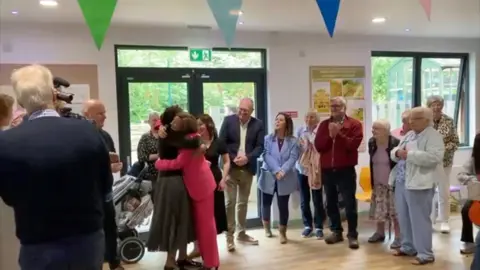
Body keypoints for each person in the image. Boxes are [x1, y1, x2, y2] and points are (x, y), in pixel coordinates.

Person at [0, 64, 109, 269]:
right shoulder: (88, 132)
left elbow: (9, 196)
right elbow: (105, 185)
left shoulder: (6, 143)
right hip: (87, 238)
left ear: (21, 101)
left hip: (37, 241)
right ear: (53, 94)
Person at [155, 112, 219, 270]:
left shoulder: (190, 140)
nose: (172, 125)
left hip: (201, 186)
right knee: (204, 227)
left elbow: (178, 163)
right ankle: (210, 261)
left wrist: (159, 163)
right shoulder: (190, 138)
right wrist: (161, 129)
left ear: (183, 126)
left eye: (176, 123)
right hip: (199, 185)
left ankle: (211, 263)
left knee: (206, 227)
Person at [147, 105, 202, 270]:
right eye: (179, 117)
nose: (183, 118)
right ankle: (171, 261)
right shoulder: (170, 135)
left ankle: (182, 258)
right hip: (172, 182)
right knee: (175, 220)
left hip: (173, 180)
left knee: (182, 218)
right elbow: (195, 142)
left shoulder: (170, 133)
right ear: (173, 120)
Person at [390, 107, 443, 265]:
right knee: (404, 217)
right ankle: (408, 247)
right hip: (402, 181)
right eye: (410, 118)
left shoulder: (433, 136)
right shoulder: (410, 134)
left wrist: (409, 155)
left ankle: (425, 253)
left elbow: (434, 157)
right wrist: (397, 153)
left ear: (427, 120)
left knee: (419, 219)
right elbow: (395, 151)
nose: (411, 121)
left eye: (416, 118)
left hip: (420, 183)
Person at [314, 96, 363, 249]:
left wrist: (339, 135)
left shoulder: (354, 124)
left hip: (346, 170)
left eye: (337, 106)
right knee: (330, 203)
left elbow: (353, 145)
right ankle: (336, 231)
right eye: (332, 106)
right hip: (328, 170)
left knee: (349, 204)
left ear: (344, 108)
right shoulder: (323, 125)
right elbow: (319, 146)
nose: (334, 108)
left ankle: (352, 235)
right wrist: (330, 136)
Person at [218, 98, 265, 250]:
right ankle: (229, 237)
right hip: (230, 168)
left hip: (247, 167)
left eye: (245, 111)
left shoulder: (258, 124)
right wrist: (233, 158)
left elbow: (260, 147)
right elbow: (221, 143)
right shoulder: (228, 121)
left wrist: (247, 158)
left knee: (243, 203)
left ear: (251, 111)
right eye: (240, 109)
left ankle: (242, 233)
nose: (241, 113)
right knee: (230, 202)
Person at [83, 99, 123, 270]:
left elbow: (113, 158)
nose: (105, 117)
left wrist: (116, 166)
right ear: (87, 115)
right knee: (92, 232)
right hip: (89, 194)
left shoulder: (105, 136)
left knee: (110, 227)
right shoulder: (82, 137)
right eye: (100, 113)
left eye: (104, 112)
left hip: (106, 192)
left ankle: (114, 262)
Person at [187, 114, 230, 260]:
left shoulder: (219, 142)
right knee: (197, 215)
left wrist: (224, 179)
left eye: (201, 124)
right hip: (197, 181)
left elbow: (226, 162)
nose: (199, 127)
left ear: (209, 125)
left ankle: (211, 249)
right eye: (197, 125)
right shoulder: (194, 142)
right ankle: (197, 247)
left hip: (215, 180)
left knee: (214, 215)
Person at [259, 113, 300, 244]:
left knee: (283, 205)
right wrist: (277, 170)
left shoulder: (293, 141)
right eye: (276, 119)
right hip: (269, 175)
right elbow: (266, 155)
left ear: (286, 124)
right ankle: (266, 228)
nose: (277, 121)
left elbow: (293, 158)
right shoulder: (267, 138)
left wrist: (283, 171)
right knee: (266, 203)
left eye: (280, 120)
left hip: (285, 177)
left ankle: (282, 232)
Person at [427, 95, 460, 233]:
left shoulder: (449, 121)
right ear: (428, 106)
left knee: (443, 192)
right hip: (428, 162)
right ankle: (428, 220)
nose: (436, 107)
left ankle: (444, 221)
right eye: (433, 104)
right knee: (427, 191)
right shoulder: (425, 121)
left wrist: (443, 149)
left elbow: (455, 141)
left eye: (439, 104)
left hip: (444, 162)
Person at [367, 120, 400, 249]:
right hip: (377, 182)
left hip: (392, 183)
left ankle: (398, 237)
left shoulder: (395, 143)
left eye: (376, 128)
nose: (373, 130)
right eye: (373, 128)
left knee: (395, 211)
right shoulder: (372, 142)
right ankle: (380, 233)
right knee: (378, 210)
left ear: (386, 130)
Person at [296, 110, 325, 239]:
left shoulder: (320, 131)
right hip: (302, 168)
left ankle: (319, 226)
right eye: (307, 116)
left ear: (317, 120)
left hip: (316, 169)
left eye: (312, 117)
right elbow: (295, 147)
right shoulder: (300, 130)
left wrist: (312, 145)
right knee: (304, 199)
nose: (309, 119)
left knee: (317, 199)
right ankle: (307, 226)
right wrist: (302, 146)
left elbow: (323, 147)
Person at [457, 133, 480, 255]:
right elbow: (460, 174)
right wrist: (471, 179)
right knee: (466, 210)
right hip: (478, 194)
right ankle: (468, 242)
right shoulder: (473, 160)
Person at [137, 111, 161, 181]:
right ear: (149, 122)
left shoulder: (165, 136)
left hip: (165, 174)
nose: (156, 122)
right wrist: (158, 155)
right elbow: (141, 157)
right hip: (151, 175)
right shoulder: (145, 137)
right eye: (154, 120)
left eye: (158, 120)